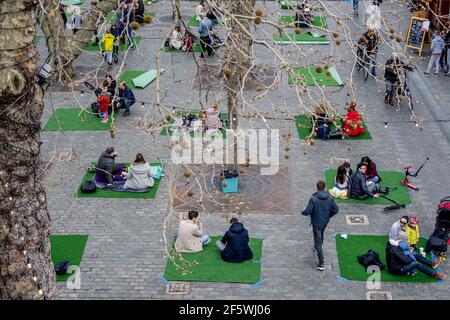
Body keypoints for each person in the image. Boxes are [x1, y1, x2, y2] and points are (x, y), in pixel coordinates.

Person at [302, 180, 339, 271]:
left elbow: (308, 211)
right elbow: (336, 209)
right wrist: (329, 215)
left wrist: (303, 212)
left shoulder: (313, 199)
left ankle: (321, 263)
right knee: (321, 235)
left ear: (317, 187)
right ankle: (317, 247)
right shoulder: (330, 197)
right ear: (324, 187)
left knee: (318, 240)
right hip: (325, 221)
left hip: (316, 222)